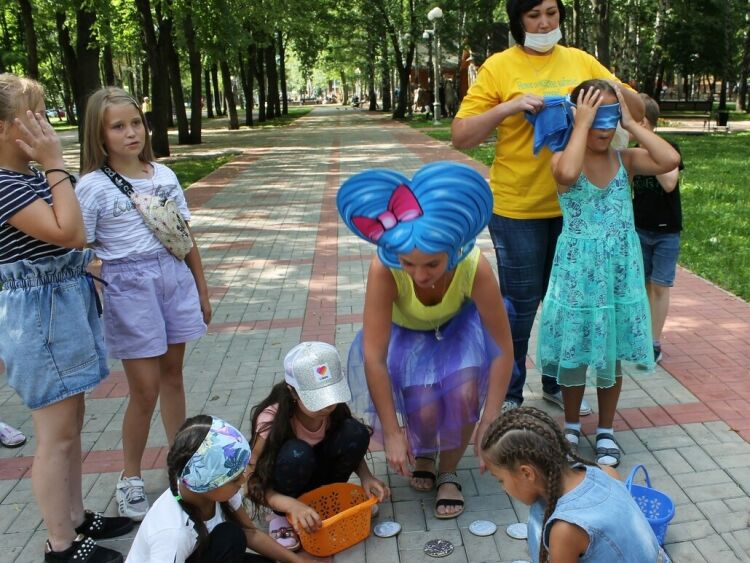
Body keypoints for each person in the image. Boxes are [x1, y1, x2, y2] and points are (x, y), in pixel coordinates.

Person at [452, 0, 646, 416]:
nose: (545, 23)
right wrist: (510, 106)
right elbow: (461, 136)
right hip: (519, 208)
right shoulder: (499, 67)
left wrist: (621, 96)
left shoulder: (580, 61)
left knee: (569, 305)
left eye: (552, 13)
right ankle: (509, 393)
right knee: (521, 305)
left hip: (577, 213)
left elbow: (634, 108)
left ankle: (558, 383)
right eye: (534, 15)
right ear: (518, 21)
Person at [0, 73, 131, 562]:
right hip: (40, 318)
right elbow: (71, 232)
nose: (46, 126)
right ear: (3, 128)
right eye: (33, 116)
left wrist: (52, 170)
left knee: (72, 423)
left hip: (64, 306)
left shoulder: (31, 178)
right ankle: (60, 544)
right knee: (54, 436)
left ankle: (76, 518)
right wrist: (56, 163)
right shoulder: (5, 186)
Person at [338, 161, 514, 519]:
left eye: (432, 264)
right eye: (409, 264)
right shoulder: (385, 268)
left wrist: (491, 417)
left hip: (458, 330)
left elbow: (503, 350)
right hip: (408, 335)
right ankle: (425, 453)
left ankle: (448, 471)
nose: (420, 275)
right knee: (425, 406)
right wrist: (392, 432)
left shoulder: (474, 266)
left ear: (455, 250)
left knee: (463, 395)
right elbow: (374, 358)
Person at [76, 87, 211, 520]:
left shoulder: (164, 176)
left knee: (173, 377)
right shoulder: (92, 187)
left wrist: (201, 289)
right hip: (129, 288)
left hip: (173, 279)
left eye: (136, 123)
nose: (131, 133)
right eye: (118, 126)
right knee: (144, 389)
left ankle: (180, 466)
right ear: (99, 134)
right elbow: (79, 245)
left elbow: (184, 236)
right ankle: (130, 476)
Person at [536, 80, 680, 467]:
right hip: (577, 274)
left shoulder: (625, 160)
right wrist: (580, 124)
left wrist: (632, 124)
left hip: (617, 273)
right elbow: (567, 174)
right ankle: (570, 426)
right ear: (578, 115)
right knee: (574, 352)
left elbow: (668, 160)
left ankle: (605, 430)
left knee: (609, 354)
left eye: (609, 115)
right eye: (593, 114)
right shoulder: (562, 158)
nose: (603, 125)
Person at [480, 407, 671, 563]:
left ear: (527, 473)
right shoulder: (605, 471)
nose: (503, 488)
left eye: (500, 480)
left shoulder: (565, 530)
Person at [247, 341, 389, 550]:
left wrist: (366, 477)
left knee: (355, 431)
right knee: (297, 454)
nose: (327, 405)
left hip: (318, 476)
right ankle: (281, 517)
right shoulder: (271, 420)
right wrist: (289, 505)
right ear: (292, 392)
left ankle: (327, 498)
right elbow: (251, 479)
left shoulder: (334, 409)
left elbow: (350, 444)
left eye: (331, 395)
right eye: (317, 399)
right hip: (285, 488)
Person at [127, 415, 307, 563]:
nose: (242, 480)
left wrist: (298, 562)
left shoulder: (216, 491)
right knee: (229, 535)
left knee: (235, 539)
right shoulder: (174, 534)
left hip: (207, 554)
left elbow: (251, 533)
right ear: (206, 484)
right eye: (234, 479)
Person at [632, 94, 684, 364]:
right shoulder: (630, 152)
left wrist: (649, 147)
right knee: (642, 286)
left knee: (660, 286)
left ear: (644, 122)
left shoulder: (668, 148)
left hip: (666, 231)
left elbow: (669, 183)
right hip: (639, 229)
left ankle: (654, 342)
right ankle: (641, 336)